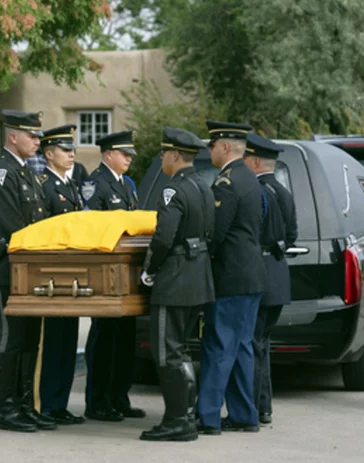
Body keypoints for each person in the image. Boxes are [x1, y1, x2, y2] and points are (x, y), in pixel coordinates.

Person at [0, 109, 56, 433]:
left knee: (29, 340)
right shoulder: (2, 173)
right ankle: (6, 409)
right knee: (11, 340)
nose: (37, 141)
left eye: (38, 136)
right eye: (32, 136)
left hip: (29, 268)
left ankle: (25, 405)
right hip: (6, 267)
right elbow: (13, 226)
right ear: (13, 136)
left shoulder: (25, 172)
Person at [139, 128, 215, 442]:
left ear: (173, 155)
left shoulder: (174, 191)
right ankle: (186, 415)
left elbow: (163, 238)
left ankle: (176, 420)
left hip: (174, 279)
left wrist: (149, 270)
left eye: (163, 154)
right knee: (181, 350)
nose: (162, 159)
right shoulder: (204, 186)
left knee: (166, 353)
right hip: (197, 276)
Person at [196, 120, 266, 435]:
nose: (210, 150)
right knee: (240, 347)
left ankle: (208, 416)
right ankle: (244, 415)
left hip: (231, 278)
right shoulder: (250, 179)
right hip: (250, 276)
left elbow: (215, 234)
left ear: (225, 146)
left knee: (219, 346)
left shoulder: (227, 182)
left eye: (212, 145)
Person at [80, 130, 145, 422]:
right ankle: (98, 401)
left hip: (127, 277)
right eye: (124, 154)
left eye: (130, 154)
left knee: (125, 340)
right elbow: (92, 228)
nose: (129, 158)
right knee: (105, 340)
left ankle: (119, 396)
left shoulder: (127, 184)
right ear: (108, 155)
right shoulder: (96, 184)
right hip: (107, 274)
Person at [243, 133, 298, 425]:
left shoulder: (257, 193)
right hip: (278, 276)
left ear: (253, 161)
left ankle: (251, 407)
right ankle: (263, 407)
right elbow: (291, 236)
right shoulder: (285, 192)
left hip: (258, 277)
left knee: (252, 344)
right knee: (261, 344)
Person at [37, 124, 86, 425]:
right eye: (65, 151)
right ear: (49, 154)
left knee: (68, 342)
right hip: (52, 275)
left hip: (73, 274)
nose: (72, 155)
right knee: (53, 343)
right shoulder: (43, 185)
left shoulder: (71, 184)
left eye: (72, 150)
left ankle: (59, 403)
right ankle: (46, 405)